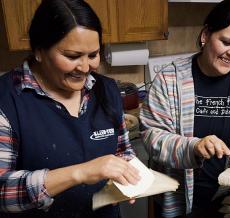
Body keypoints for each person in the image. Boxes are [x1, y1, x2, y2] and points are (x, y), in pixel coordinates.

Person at [0, 0, 140, 217]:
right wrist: (80, 172)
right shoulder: (7, 100)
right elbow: (2, 192)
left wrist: (130, 177)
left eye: (93, 55)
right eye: (72, 56)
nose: (85, 68)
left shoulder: (108, 90)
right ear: (39, 51)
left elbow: (123, 150)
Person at [140, 0, 230, 217]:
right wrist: (194, 147)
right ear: (205, 35)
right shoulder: (170, 79)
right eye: (227, 42)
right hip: (178, 199)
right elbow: (152, 136)